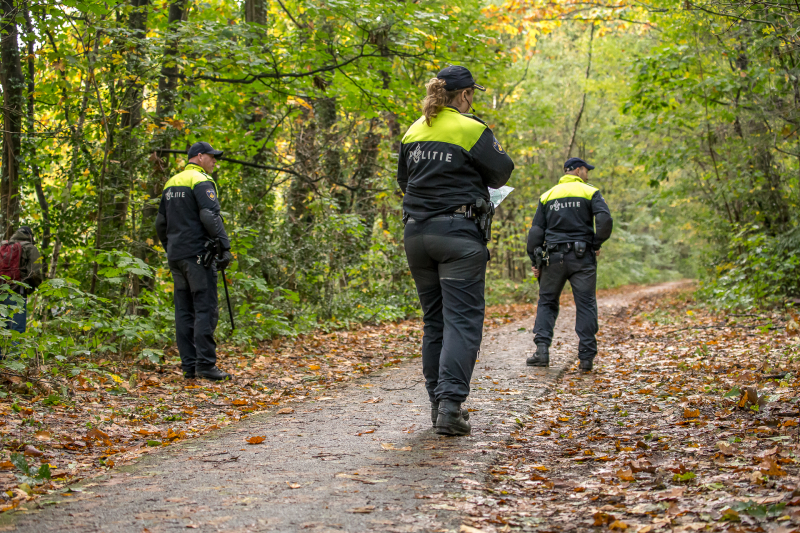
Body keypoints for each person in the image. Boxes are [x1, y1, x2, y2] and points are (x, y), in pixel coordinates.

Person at [397, 65, 515, 436]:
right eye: (472, 95)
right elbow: (502, 172)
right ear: (464, 96)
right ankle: (450, 406)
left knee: (435, 322)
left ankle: (437, 404)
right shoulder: (471, 128)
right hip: (459, 237)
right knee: (461, 322)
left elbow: (404, 181)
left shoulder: (414, 130)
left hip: (416, 236)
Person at [526, 157, 613, 372]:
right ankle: (586, 357)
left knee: (547, 302)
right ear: (579, 170)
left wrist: (534, 260)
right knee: (585, 304)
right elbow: (605, 221)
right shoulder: (590, 192)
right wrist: (595, 243)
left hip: (553, 258)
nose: (587, 174)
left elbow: (536, 232)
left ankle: (542, 351)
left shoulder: (548, 196)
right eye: (586, 170)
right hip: (582, 257)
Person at [156, 141, 234, 381]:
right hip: (198, 256)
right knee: (204, 308)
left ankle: (189, 367)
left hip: (177, 256)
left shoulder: (171, 183)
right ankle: (206, 365)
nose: (215, 161)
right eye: (212, 157)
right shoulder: (201, 181)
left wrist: (170, 248)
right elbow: (209, 215)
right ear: (199, 157)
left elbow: (160, 223)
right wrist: (225, 247)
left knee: (184, 311)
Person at [0, 226, 44, 336]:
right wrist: (37, 287)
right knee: (16, 331)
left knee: (1, 330)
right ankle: (14, 354)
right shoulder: (30, 248)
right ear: (29, 236)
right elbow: (35, 273)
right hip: (17, 293)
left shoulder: (2, 246)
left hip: (1, 292)